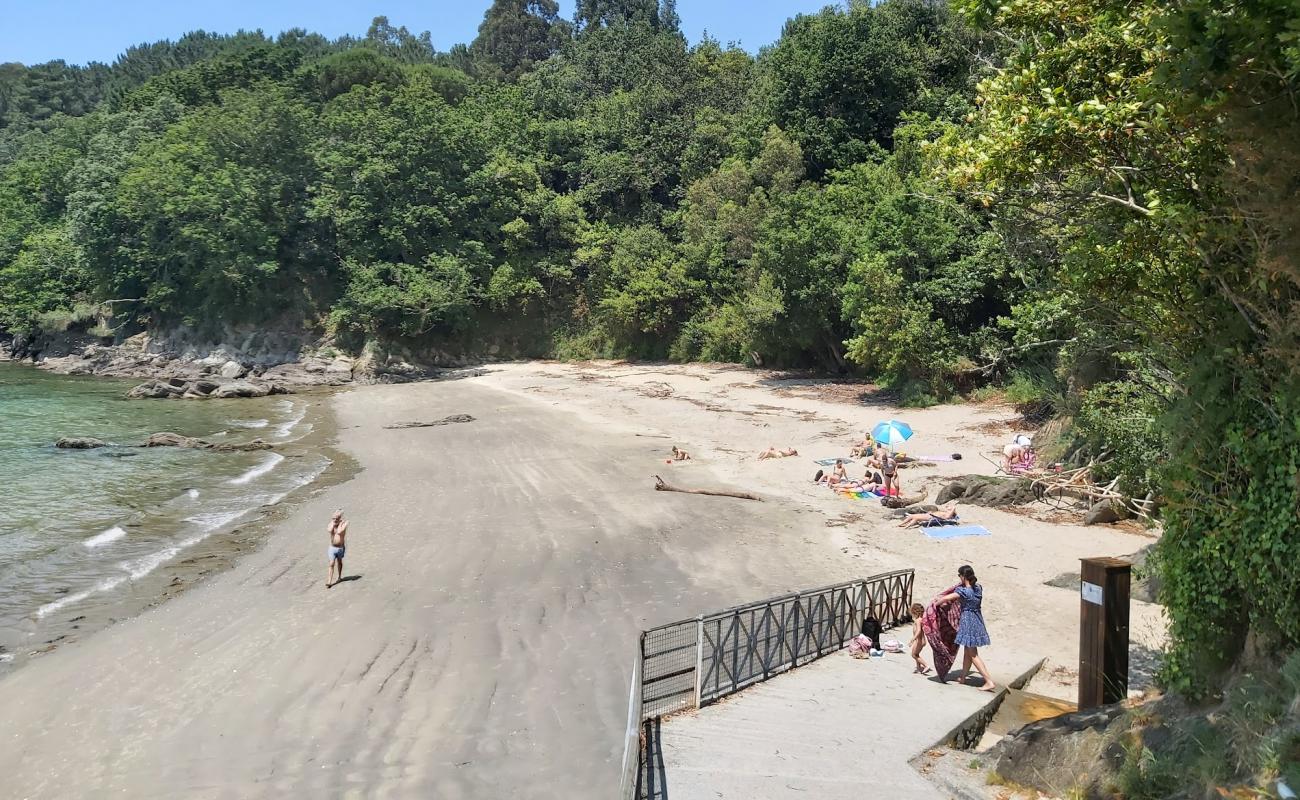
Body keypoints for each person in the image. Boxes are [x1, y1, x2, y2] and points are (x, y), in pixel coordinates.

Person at [935, 565, 996, 692]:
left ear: (963, 576)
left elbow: (946, 598)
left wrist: (935, 604)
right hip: (977, 620)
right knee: (968, 651)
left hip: (968, 622)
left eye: (959, 575)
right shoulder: (978, 588)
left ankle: (988, 681)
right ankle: (963, 677)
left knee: (973, 654)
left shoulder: (964, 591)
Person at [326, 509, 349, 588]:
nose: (335, 520)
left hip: (340, 548)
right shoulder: (331, 524)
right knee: (331, 563)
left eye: (336, 518)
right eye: (333, 518)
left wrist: (340, 523)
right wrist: (333, 523)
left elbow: (339, 532)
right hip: (332, 548)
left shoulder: (344, 524)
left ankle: (339, 577)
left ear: (340, 518)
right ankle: (329, 581)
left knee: (339, 562)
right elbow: (329, 530)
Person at [908, 603, 930, 674]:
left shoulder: (918, 621)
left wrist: (913, 639)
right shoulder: (921, 619)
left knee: (914, 655)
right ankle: (918, 667)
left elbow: (918, 631)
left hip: (919, 641)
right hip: (921, 640)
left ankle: (926, 665)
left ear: (915, 612)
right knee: (916, 654)